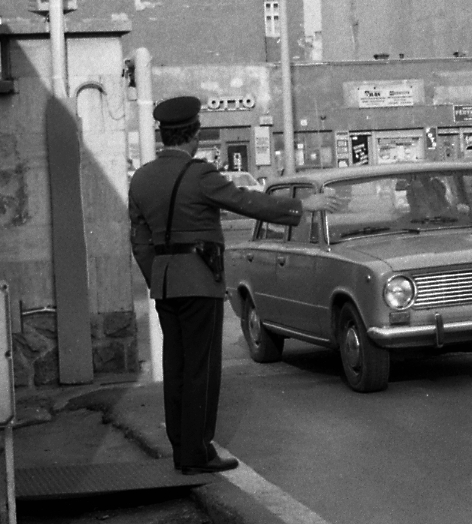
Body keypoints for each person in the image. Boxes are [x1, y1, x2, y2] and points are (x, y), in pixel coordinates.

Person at [128, 95, 333, 474]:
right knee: (201, 369)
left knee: (176, 366)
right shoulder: (199, 174)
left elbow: (139, 240)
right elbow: (248, 202)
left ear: (162, 135)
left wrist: (157, 274)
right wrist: (304, 206)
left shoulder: (141, 178)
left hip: (165, 283)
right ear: (193, 135)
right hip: (199, 280)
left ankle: (181, 449)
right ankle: (198, 451)